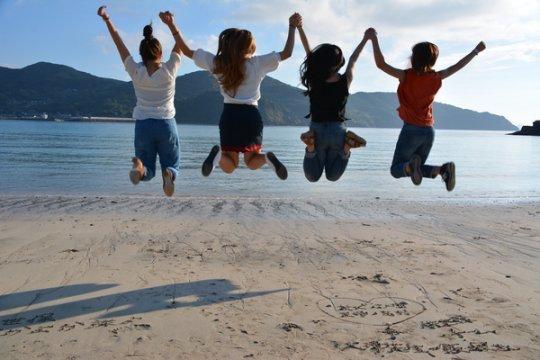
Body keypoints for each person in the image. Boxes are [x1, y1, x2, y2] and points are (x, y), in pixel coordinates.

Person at [165, 13, 303, 180]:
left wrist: (172, 26)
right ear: (249, 47)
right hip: (251, 116)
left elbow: (186, 51)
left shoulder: (219, 63)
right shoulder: (257, 63)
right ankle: (267, 158)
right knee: (252, 161)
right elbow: (287, 53)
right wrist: (292, 27)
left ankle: (217, 157)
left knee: (231, 164)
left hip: (230, 116)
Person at [365, 28, 486, 191]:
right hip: (428, 131)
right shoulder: (437, 77)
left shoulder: (405, 76)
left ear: (414, 58)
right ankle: (443, 170)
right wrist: (476, 51)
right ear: (433, 60)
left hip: (410, 130)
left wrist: (373, 38)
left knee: (396, 169)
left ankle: (409, 167)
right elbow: (457, 66)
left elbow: (381, 64)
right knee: (419, 169)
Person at [97, 6, 183, 196]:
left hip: (143, 125)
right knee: (172, 163)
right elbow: (180, 45)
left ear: (141, 55)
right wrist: (171, 23)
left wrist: (107, 19)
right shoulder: (170, 70)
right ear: (160, 53)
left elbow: (118, 43)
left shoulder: (135, 71)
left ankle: (139, 167)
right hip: (166, 124)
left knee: (148, 170)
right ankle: (168, 173)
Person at [297, 23, 368, 182]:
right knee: (332, 176)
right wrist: (366, 38)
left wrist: (299, 27)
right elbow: (353, 59)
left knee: (312, 177)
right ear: (338, 62)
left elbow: (309, 53)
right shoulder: (345, 80)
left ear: (319, 61)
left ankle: (310, 147)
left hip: (317, 130)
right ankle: (346, 148)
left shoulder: (316, 79)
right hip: (338, 130)